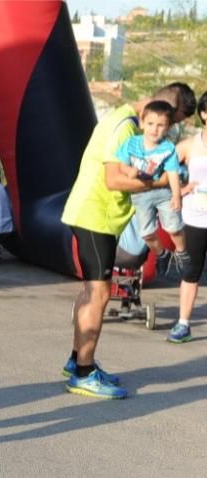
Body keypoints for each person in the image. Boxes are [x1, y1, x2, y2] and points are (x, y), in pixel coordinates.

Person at [61, 82, 196, 399]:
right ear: (162, 107)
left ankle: (77, 360)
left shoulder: (128, 122)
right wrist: (163, 181)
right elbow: (113, 180)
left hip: (95, 214)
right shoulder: (124, 127)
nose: (166, 130)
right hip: (97, 215)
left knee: (91, 292)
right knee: (99, 293)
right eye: (170, 121)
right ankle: (83, 372)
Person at [116, 100, 189, 278]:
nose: (154, 129)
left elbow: (172, 173)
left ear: (168, 127)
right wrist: (129, 170)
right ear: (142, 122)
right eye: (150, 124)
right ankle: (162, 254)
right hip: (140, 195)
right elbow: (121, 165)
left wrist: (177, 196)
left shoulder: (168, 148)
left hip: (162, 193)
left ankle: (181, 253)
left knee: (174, 227)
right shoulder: (131, 143)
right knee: (146, 233)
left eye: (160, 125)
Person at [167, 91, 207, 343]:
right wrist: (181, 192)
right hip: (194, 219)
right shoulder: (190, 145)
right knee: (191, 272)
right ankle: (183, 324)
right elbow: (162, 177)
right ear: (204, 113)